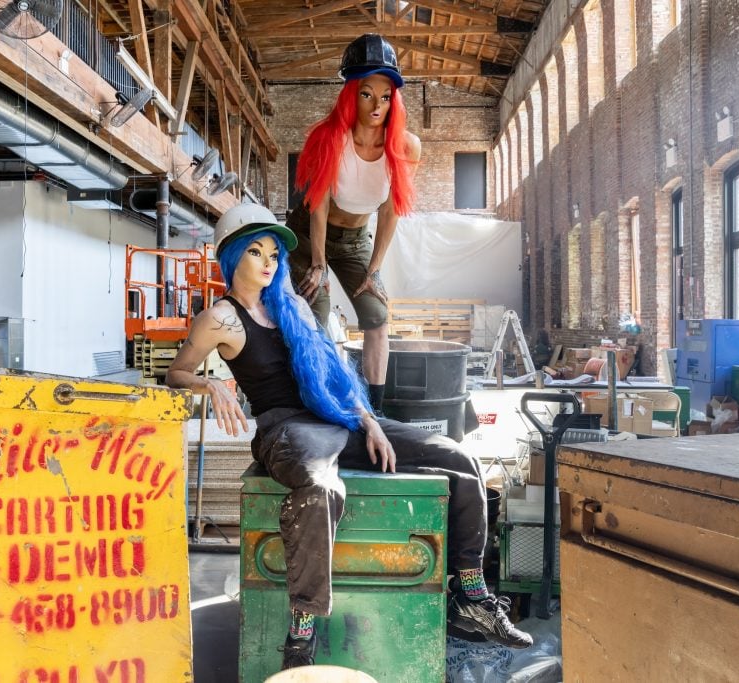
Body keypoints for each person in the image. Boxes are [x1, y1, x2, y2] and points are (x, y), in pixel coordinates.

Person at [166, 204, 533, 672]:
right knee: (321, 487)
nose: (269, 262)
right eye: (256, 251)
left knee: (459, 459)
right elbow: (176, 372)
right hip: (285, 428)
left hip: (335, 417)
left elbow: (334, 373)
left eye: (274, 253)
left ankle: (472, 597)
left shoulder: (293, 305)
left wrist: (369, 420)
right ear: (233, 255)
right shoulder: (220, 318)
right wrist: (210, 382)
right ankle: (303, 628)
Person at [287, 33, 421, 415]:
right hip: (309, 233)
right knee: (318, 311)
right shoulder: (329, 138)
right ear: (350, 94)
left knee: (377, 316)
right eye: (366, 93)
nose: (376, 104)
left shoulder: (406, 146)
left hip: (356, 239)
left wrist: (375, 270)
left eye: (385, 95)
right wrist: (317, 263)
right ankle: (316, 404)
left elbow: (391, 210)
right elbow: (318, 207)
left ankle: (374, 412)